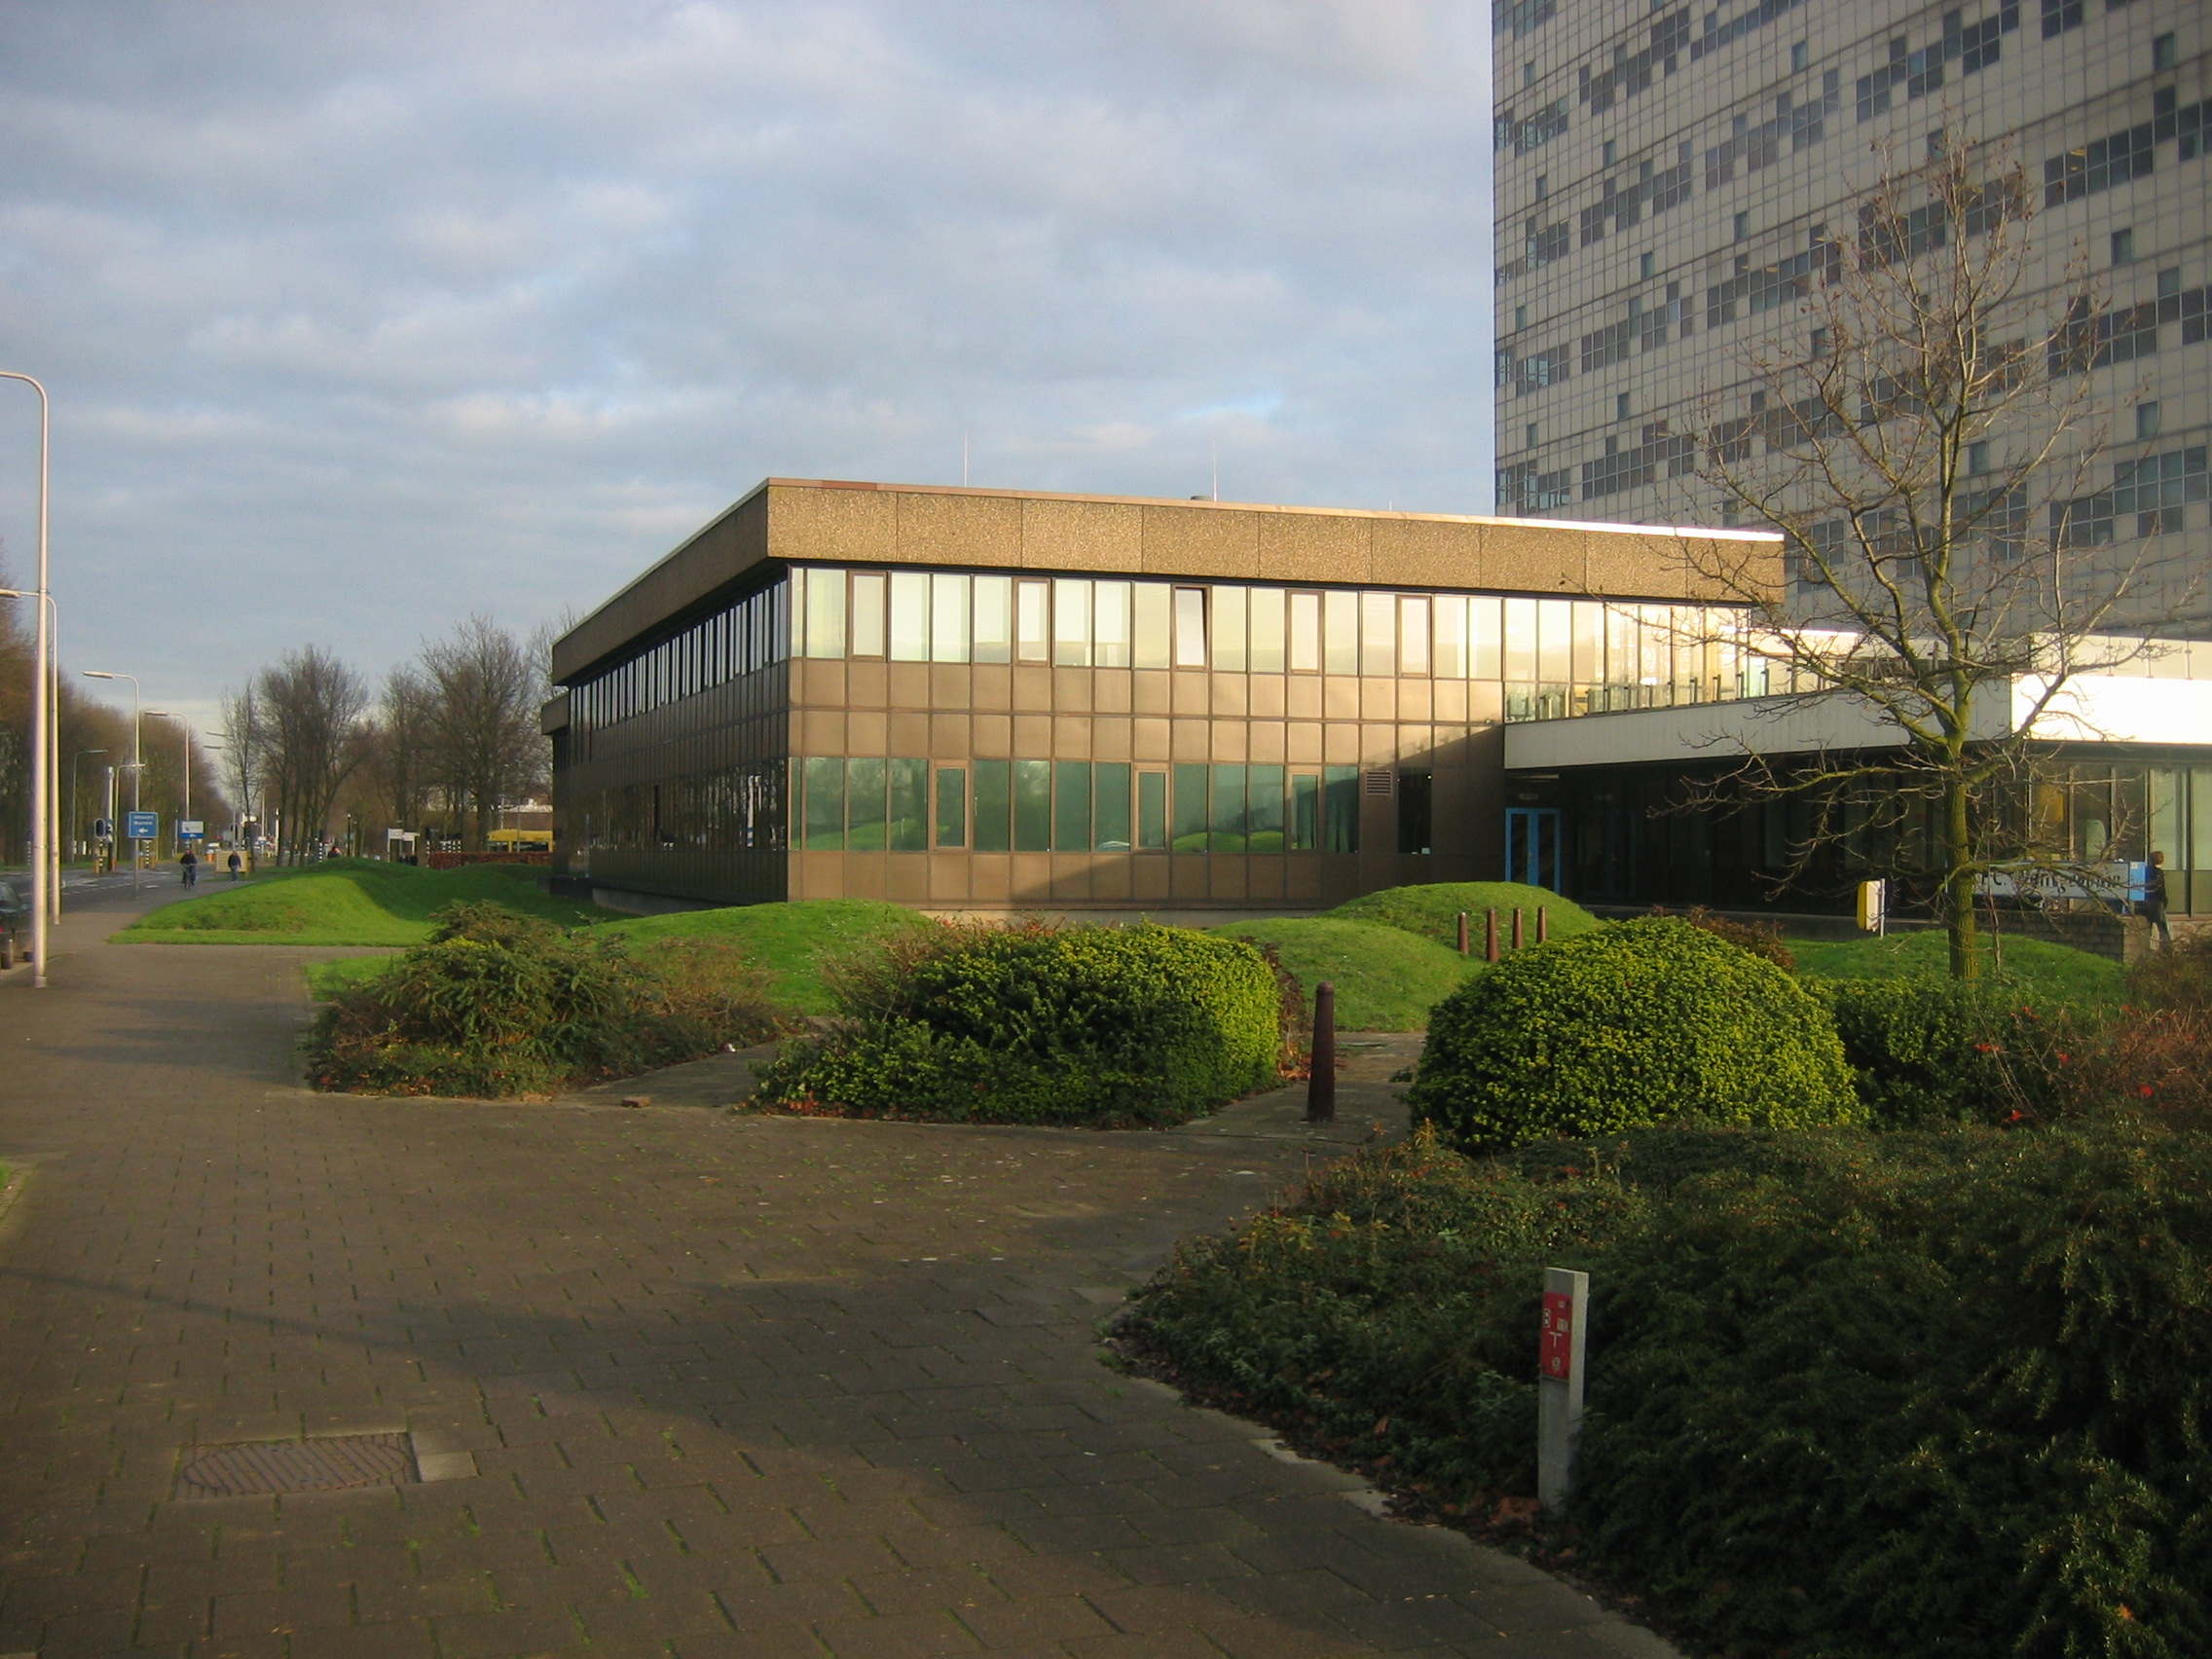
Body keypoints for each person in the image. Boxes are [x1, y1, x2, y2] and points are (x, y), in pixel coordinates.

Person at [2142, 850, 2172, 948]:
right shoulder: (2159, 873)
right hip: (2157, 902)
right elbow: (2161, 889)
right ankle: (2166, 950)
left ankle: (2145, 947)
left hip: (2147, 900)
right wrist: (2164, 900)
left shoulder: (2146, 871)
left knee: (2147, 926)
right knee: (2162, 927)